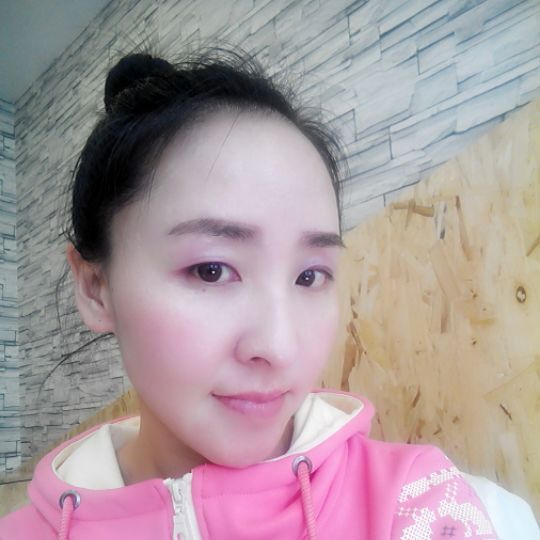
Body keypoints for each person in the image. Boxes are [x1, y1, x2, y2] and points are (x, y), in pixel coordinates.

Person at [0, 49, 535, 540]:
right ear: (96, 289)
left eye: (309, 276)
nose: (278, 347)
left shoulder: (421, 506)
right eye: (212, 270)